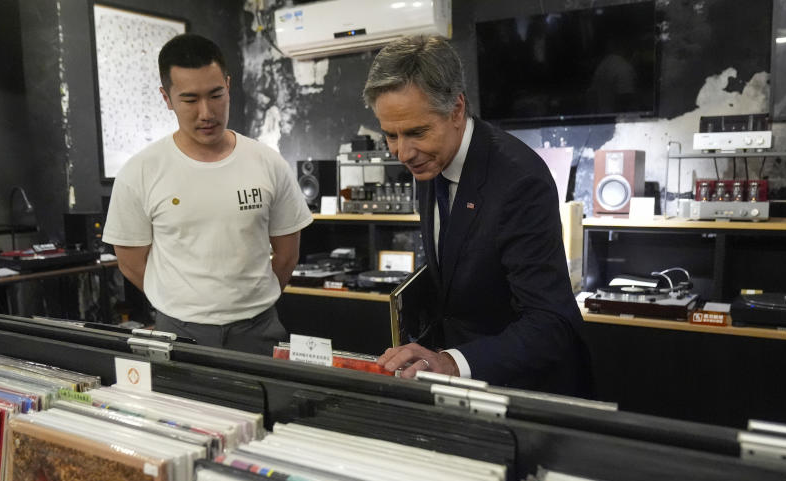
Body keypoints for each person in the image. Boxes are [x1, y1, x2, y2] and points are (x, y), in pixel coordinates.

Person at [365, 35, 590, 396]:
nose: (402, 152)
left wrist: (452, 363)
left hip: (523, 391)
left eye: (416, 132)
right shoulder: (430, 159)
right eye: (390, 135)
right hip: (464, 388)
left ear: (456, 109)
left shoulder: (520, 180)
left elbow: (551, 323)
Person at [102, 34, 312, 355]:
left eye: (216, 95)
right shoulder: (141, 171)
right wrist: (182, 302)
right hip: (178, 329)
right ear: (167, 98)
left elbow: (287, 254)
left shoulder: (268, 162)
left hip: (258, 328)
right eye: (189, 99)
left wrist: (247, 303)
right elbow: (130, 262)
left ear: (228, 86)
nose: (206, 112)